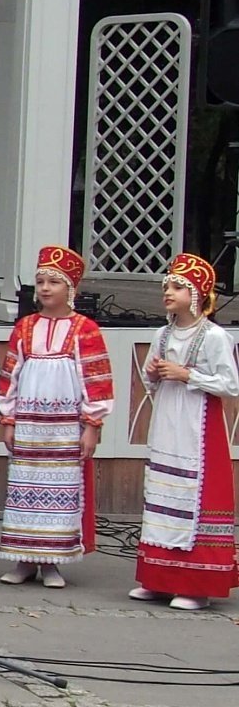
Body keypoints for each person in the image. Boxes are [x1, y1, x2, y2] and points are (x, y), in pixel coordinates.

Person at [0, 245, 113, 588]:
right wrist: (8, 419)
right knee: (24, 489)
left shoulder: (85, 329)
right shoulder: (25, 327)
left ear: (70, 289)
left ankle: (52, 563)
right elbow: (10, 376)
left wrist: (92, 425)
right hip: (30, 423)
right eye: (41, 281)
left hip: (64, 425)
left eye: (54, 282)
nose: (45, 288)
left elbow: (96, 379)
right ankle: (23, 560)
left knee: (60, 493)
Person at [129, 253, 237, 610]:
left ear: (197, 294)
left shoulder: (215, 336)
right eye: (167, 286)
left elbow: (230, 384)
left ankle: (195, 584)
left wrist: (188, 375)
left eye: (177, 287)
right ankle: (158, 578)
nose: (168, 292)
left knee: (194, 493)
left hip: (198, 422)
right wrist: (159, 373)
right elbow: (149, 377)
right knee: (162, 491)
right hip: (168, 419)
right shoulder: (162, 333)